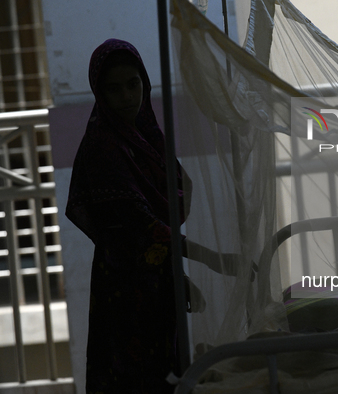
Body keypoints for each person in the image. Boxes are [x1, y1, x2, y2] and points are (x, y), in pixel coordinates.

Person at [66, 39, 246, 393]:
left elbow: (168, 202)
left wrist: (173, 276)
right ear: (99, 93)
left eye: (133, 84)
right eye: (114, 89)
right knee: (137, 378)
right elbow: (141, 225)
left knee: (168, 372)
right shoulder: (104, 146)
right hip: (125, 290)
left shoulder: (144, 137)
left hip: (155, 281)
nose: (127, 96)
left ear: (144, 83)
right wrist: (212, 258)